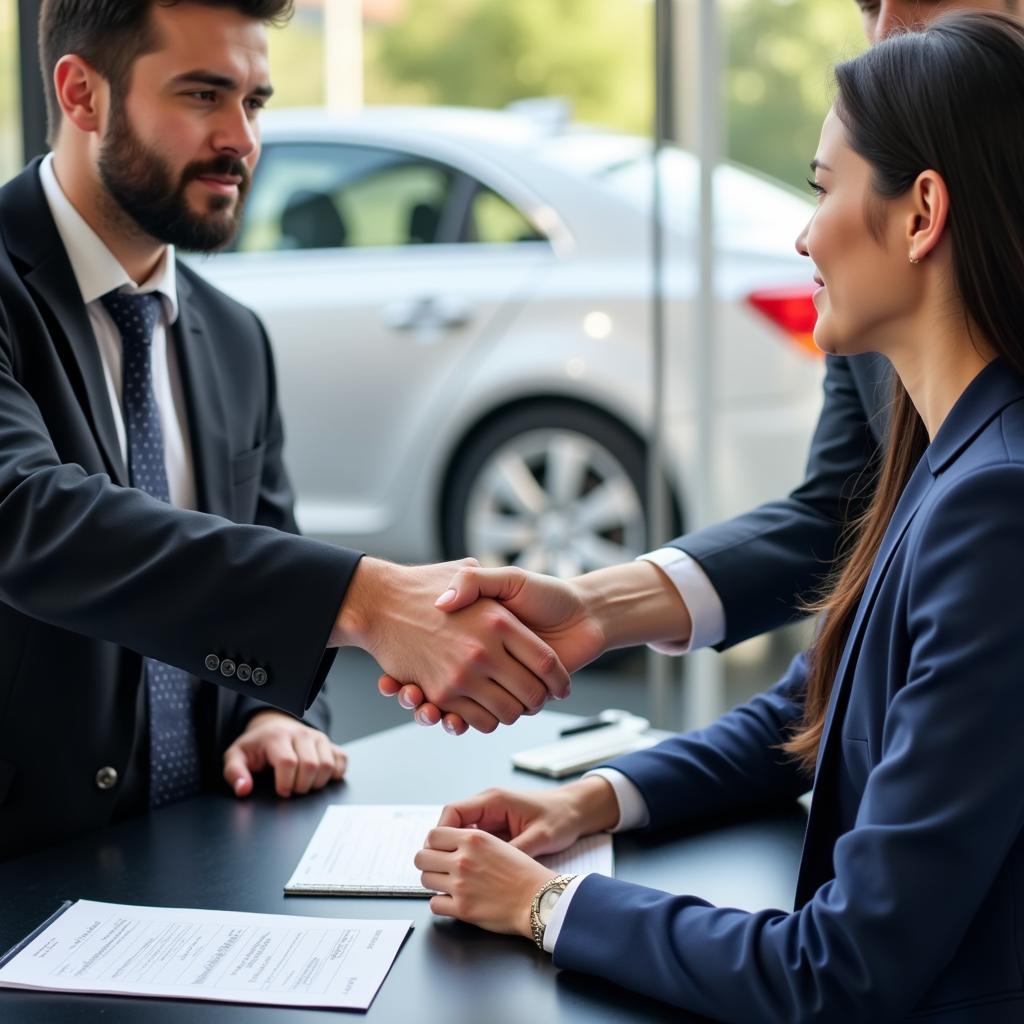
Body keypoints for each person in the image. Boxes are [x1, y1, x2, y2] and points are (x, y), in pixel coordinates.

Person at [411, 12, 1024, 1021]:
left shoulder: (992, 503)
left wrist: (547, 904)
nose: (799, 230)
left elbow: (838, 972)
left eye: (823, 188)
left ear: (920, 215)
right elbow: (815, 700)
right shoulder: (944, 450)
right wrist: (588, 800)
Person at [0, 0, 572, 861]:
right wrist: (369, 600)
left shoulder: (233, 338)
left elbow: (258, 556)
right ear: (82, 94)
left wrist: (269, 713)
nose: (242, 139)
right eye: (202, 95)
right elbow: (29, 519)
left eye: (255, 102)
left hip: (204, 864)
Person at [380, 0, 1021, 735]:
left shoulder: (994, 483)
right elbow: (838, 523)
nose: (889, 30)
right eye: (868, 4)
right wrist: (593, 611)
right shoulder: (892, 300)